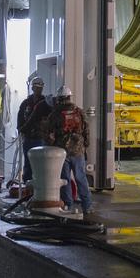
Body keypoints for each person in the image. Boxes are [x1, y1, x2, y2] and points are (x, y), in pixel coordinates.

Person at [45, 86, 92, 216]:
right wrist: (85, 145)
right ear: (70, 97)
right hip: (78, 151)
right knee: (81, 178)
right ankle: (87, 206)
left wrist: (52, 145)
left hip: (62, 152)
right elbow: (86, 130)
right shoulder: (79, 112)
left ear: (59, 98)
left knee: (64, 179)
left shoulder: (55, 114)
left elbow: (49, 133)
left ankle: (67, 205)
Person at [16, 74, 52, 183]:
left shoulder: (46, 104)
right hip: (28, 138)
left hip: (41, 138)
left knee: (41, 163)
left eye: (40, 87)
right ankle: (27, 184)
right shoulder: (26, 103)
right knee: (28, 162)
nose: (38, 89)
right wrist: (21, 130)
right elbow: (20, 118)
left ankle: (40, 184)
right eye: (36, 87)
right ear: (32, 88)